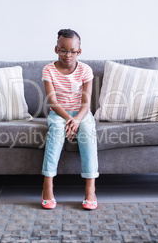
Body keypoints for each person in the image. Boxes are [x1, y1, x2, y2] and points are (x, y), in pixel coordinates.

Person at [41, 29, 99, 210]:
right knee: (57, 131)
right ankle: (47, 187)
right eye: (63, 50)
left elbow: (86, 103)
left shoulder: (85, 70)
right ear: (56, 49)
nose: (68, 55)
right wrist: (69, 120)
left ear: (79, 52)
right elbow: (52, 101)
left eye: (73, 51)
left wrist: (78, 120)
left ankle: (91, 190)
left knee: (88, 132)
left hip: (82, 113)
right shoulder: (49, 70)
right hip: (59, 113)